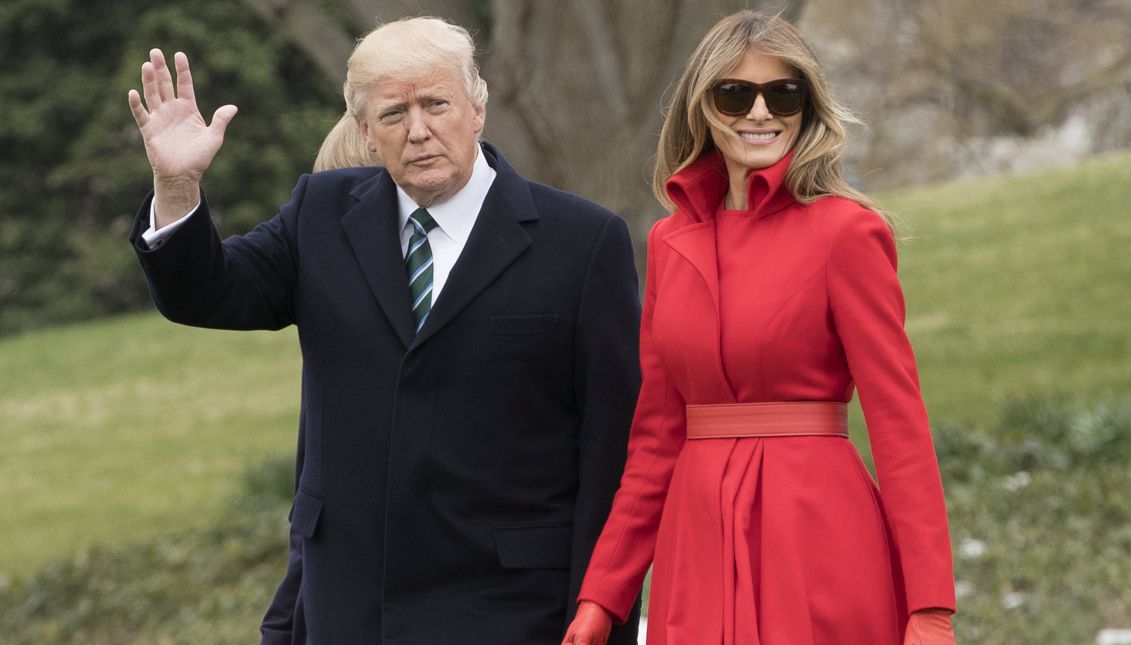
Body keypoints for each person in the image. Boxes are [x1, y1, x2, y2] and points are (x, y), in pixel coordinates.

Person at [126, 16, 642, 644]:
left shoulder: (582, 243)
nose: (419, 130)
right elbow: (208, 292)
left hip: (509, 608)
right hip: (351, 604)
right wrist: (178, 188)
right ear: (366, 133)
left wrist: (601, 613)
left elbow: (611, 449)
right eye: (394, 114)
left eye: (436, 104)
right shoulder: (321, 214)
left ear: (477, 108)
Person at [562, 10, 956, 645]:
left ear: (808, 105)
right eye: (735, 93)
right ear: (703, 107)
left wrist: (931, 607)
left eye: (784, 92)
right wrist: (603, 595)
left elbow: (899, 426)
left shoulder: (847, 233)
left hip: (816, 533)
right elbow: (657, 438)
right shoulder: (668, 243)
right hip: (697, 540)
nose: (760, 111)